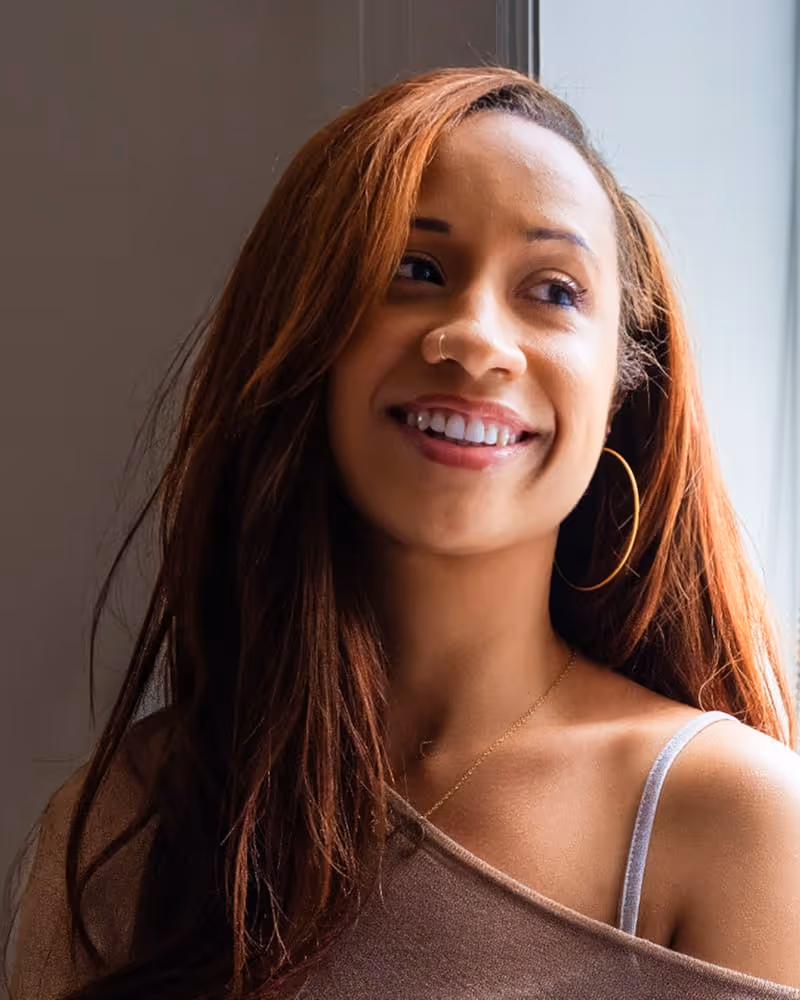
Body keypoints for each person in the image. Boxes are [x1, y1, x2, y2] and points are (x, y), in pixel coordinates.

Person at [4, 65, 800, 1000]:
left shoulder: (734, 823)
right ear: (307, 341)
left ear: (623, 388)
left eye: (552, 290)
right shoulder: (124, 824)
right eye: (415, 271)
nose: (473, 338)